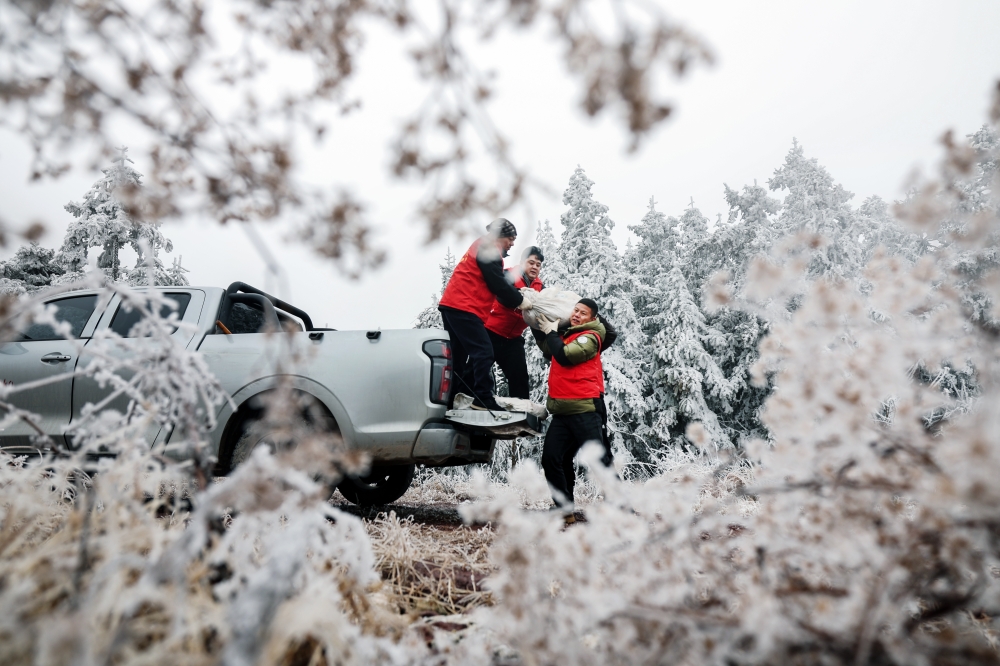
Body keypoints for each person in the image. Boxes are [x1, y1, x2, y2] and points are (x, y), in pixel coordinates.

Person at [438, 218, 534, 411]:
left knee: (457, 357)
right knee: (484, 352)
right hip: (464, 307)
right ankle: (482, 398)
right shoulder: (489, 248)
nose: (513, 243)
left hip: (453, 305)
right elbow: (497, 283)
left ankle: (451, 402)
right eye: (511, 238)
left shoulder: (482, 246)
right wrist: (520, 300)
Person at [534, 298, 606, 523]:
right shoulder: (568, 335)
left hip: (585, 409)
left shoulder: (590, 338)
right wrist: (539, 325)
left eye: (583, 313)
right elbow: (550, 348)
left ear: (592, 319)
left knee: (600, 462)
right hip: (563, 411)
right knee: (553, 459)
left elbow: (565, 357)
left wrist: (552, 333)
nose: (576, 315)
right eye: (575, 310)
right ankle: (564, 509)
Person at [484, 246, 545, 400]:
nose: (534, 267)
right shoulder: (509, 275)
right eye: (531, 263)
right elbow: (502, 295)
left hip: (513, 339)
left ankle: (521, 414)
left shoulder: (540, 287)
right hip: (490, 332)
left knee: (519, 377)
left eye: (538, 265)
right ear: (522, 262)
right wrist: (521, 297)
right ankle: (468, 400)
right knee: (476, 369)